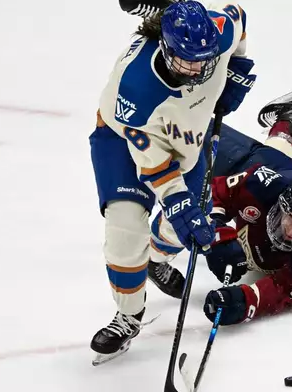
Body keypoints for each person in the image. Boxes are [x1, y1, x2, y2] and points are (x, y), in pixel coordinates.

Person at [88, 0, 255, 364]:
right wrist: (178, 203)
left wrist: (238, 66)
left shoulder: (215, 33)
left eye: (205, 59)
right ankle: (129, 316)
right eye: (187, 61)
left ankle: (157, 258)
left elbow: (237, 20)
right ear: (165, 47)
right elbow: (156, 167)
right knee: (125, 231)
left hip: (186, 139)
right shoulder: (135, 90)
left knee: (184, 228)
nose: (198, 69)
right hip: (122, 139)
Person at [148, 83, 292, 325]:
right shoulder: (264, 184)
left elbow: (284, 291)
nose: (290, 230)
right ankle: (153, 259)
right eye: (290, 216)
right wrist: (218, 235)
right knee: (179, 133)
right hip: (262, 168)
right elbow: (213, 195)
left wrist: (242, 302)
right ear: (283, 201)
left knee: (278, 162)